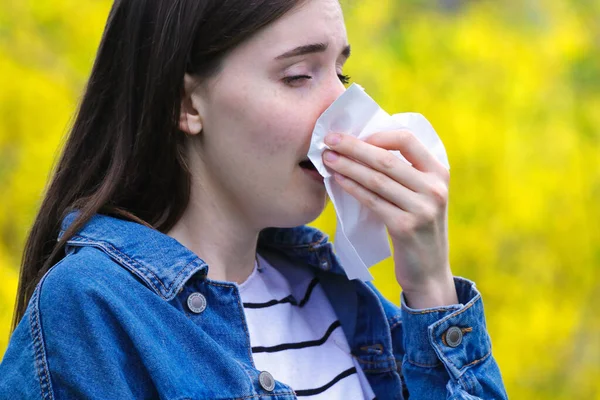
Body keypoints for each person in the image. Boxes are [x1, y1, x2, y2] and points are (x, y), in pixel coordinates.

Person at [0, 0, 508, 398]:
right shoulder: (93, 310)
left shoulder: (339, 297)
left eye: (342, 75)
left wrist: (432, 289)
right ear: (186, 103)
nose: (345, 110)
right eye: (298, 76)